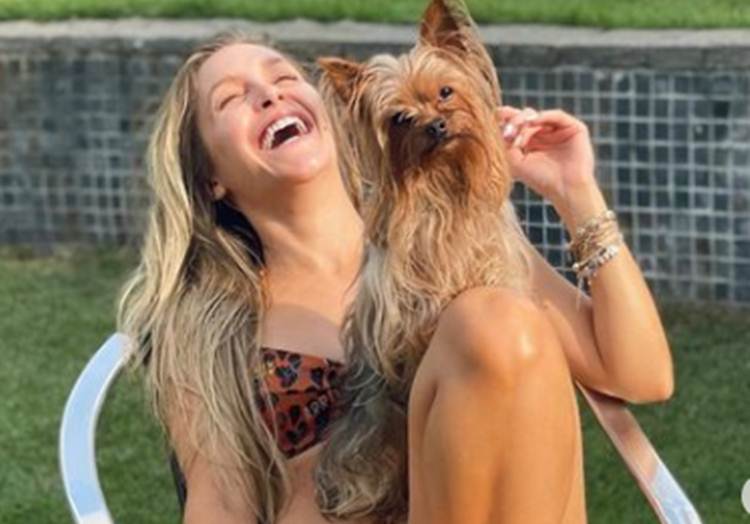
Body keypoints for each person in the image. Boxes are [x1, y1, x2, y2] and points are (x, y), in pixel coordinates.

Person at [117, 31, 673, 524]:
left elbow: (643, 377)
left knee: (494, 319)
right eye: (231, 99)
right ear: (210, 177)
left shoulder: (466, 243)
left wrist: (575, 193)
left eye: (284, 78)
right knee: (489, 317)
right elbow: (221, 506)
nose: (269, 95)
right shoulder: (210, 321)